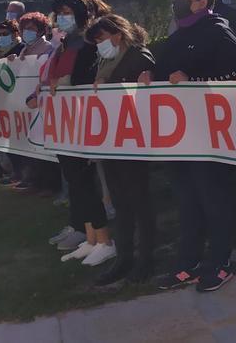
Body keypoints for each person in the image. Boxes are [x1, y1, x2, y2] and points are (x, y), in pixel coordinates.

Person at [148, 0, 236, 293]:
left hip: (210, 135)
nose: (176, 0)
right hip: (179, 135)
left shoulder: (218, 32)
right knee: (187, 201)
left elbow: (234, 76)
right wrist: (152, 75)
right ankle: (186, 264)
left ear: (202, 2)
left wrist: (193, 78)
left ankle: (220, 263)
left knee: (214, 199)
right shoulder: (179, 35)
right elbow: (167, 72)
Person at [35, 0, 117, 267]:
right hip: (63, 123)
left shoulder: (89, 43)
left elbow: (88, 78)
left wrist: (64, 82)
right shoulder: (63, 43)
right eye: (59, 13)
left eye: (67, 12)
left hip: (82, 122)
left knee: (86, 181)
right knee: (75, 182)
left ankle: (105, 241)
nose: (62, 17)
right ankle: (91, 239)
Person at [83, 14, 158, 286]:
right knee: (120, 203)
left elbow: (147, 94)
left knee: (139, 202)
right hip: (111, 140)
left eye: (102, 38)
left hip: (134, 140)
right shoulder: (105, 60)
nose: (99, 45)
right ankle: (124, 257)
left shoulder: (140, 57)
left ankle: (146, 259)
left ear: (118, 34)